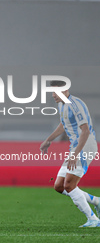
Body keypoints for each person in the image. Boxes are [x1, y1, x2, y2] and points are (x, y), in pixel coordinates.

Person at [40, 80, 100, 228]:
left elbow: (85, 130)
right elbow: (63, 124)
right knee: (59, 186)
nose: (53, 95)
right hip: (75, 148)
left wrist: (76, 154)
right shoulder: (62, 104)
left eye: (55, 92)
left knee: (69, 185)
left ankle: (93, 219)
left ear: (65, 90)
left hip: (85, 146)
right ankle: (96, 201)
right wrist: (49, 140)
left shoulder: (75, 105)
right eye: (52, 92)